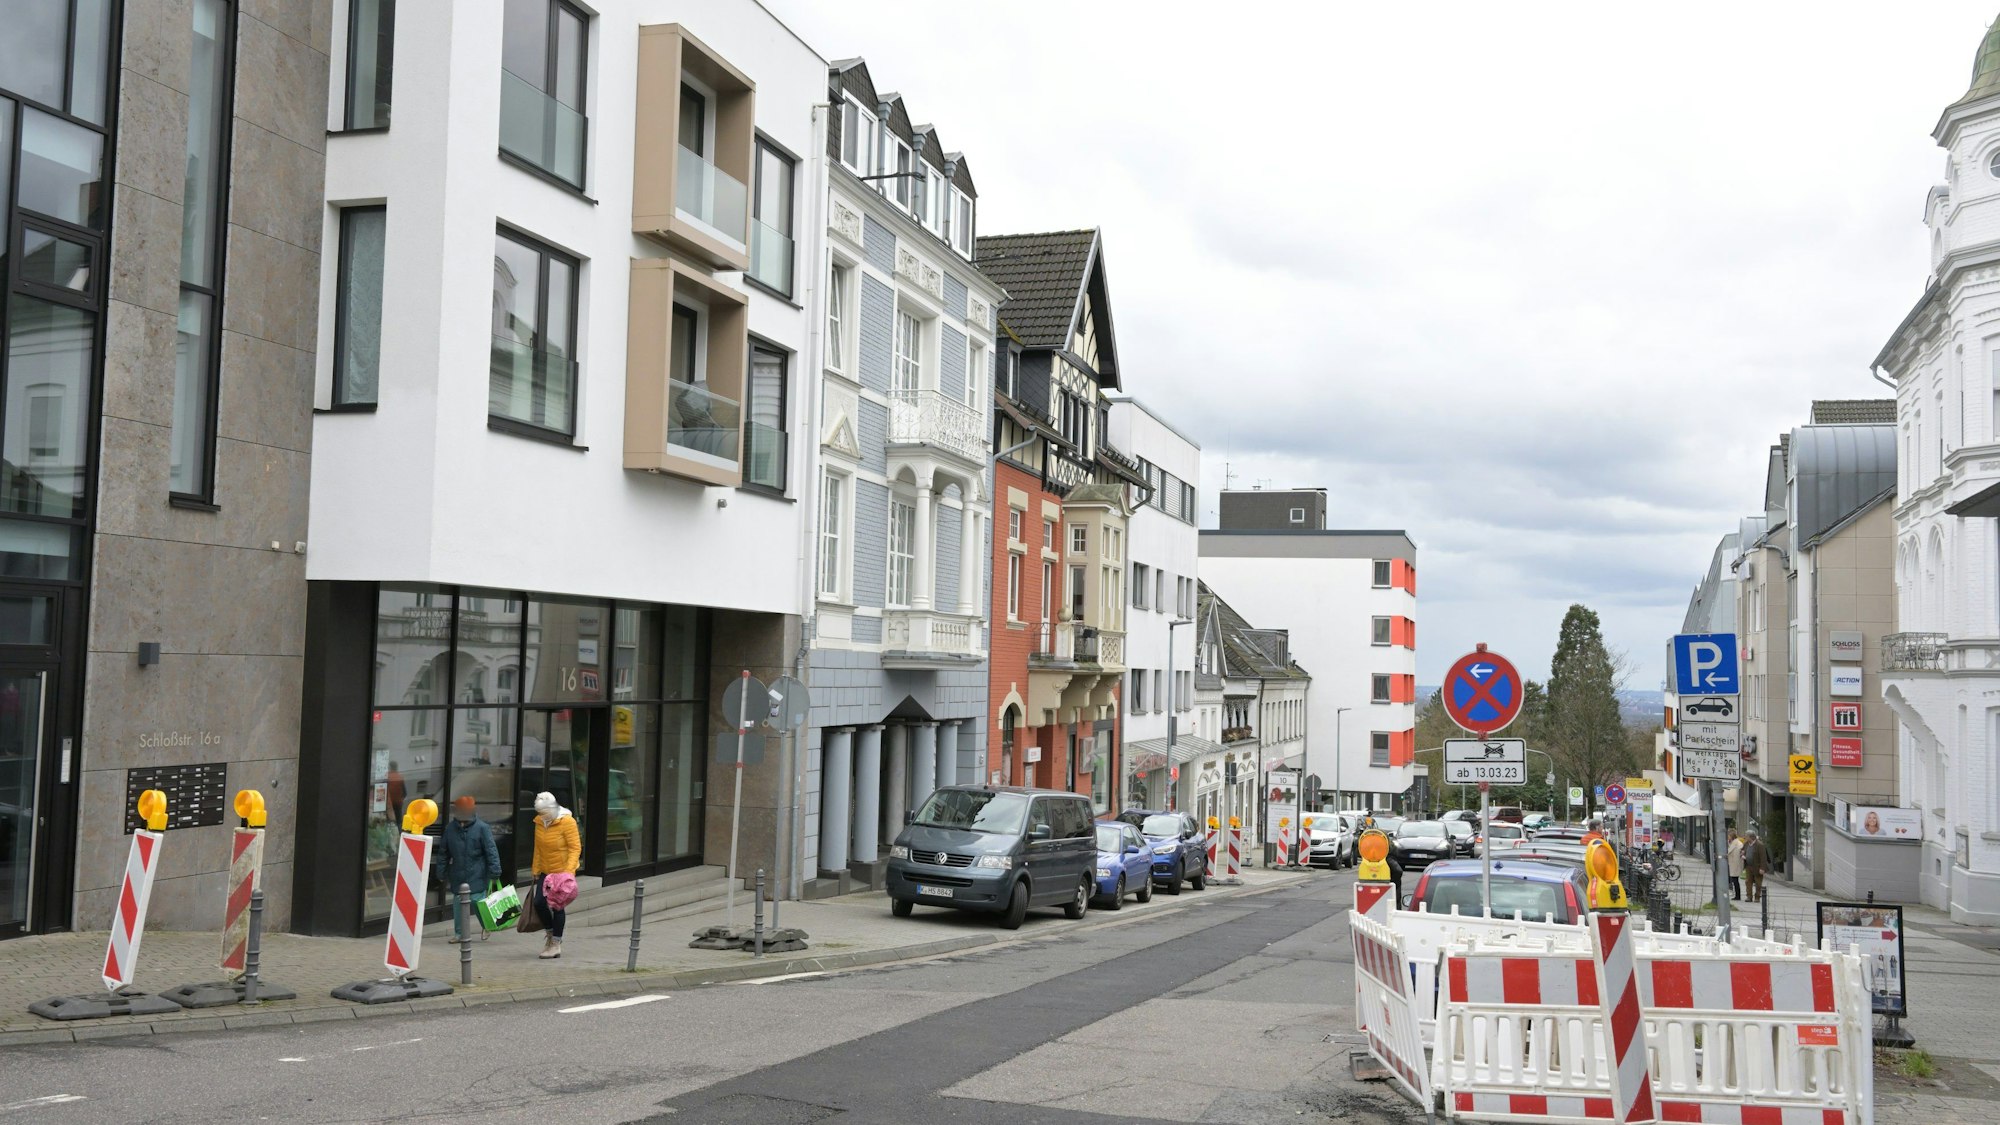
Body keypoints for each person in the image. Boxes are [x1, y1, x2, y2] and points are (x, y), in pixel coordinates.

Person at [438, 796, 502, 942]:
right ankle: (459, 934)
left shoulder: (482, 828)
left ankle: (486, 925)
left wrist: (495, 871)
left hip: (477, 873)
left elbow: (491, 850)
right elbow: (443, 852)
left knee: (478, 901)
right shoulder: (450, 829)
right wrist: (441, 872)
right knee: (458, 903)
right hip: (458, 873)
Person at [529, 791, 580, 959]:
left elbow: (575, 848)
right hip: (545, 869)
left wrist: (569, 872)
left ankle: (556, 943)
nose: (542, 816)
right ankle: (550, 934)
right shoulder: (538, 822)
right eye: (540, 813)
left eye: (544, 813)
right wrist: (535, 870)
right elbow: (537, 848)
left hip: (561, 871)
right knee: (538, 903)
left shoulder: (567, 822)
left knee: (557, 906)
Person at [1742, 828, 1768, 903]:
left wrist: (1762, 868)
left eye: (1746, 836)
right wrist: (1742, 854)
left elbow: (1763, 857)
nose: (1745, 837)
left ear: (1751, 837)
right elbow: (1742, 850)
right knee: (1748, 882)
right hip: (1748, 866)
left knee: (1758, 883)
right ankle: (1749, 896)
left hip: (1757, 867)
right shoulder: (1746, 844)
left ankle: (1757, 897)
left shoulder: (1759, 845)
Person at [1726, 829, 1745, 901]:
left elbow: (1738, 853)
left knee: (1735, 880)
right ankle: (1737, 895)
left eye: (1729, 836)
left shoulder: (1737, 843)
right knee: (1734, 880)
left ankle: (1738, 896)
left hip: (1735, 864)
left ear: (1731, 836)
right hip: (1732, 863)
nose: (1728, 837)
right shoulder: (1732, 843)